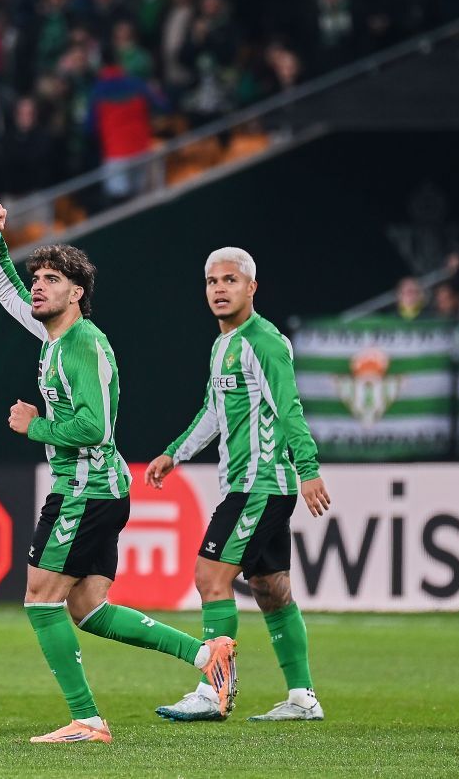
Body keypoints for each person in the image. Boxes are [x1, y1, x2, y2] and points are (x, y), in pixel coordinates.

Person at [0, 201, 236, 745]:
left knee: (40, 600)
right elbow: (7, 293)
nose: (38, 287)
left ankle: (87, 719)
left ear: (77, 293)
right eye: (37, 278)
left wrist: (35, 426)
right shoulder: (53, 336)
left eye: (51, 279)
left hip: (83, 491)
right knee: (88, 609)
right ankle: (204, 654)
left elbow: (93, 428)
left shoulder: (81, 344)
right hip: (97, 489)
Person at [144, 246, 331, 724]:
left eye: (230, 280)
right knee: (270, 589)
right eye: (212, 282)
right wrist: (175, 452)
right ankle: (302, 697)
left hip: (261, 483)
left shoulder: (264, 341)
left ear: (252, 287)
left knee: (210, 577)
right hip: (252, 485)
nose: (219, 290)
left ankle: (213, 690)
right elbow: (212, 410)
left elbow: (289, 409)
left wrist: (308, 468)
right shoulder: (223, 345)